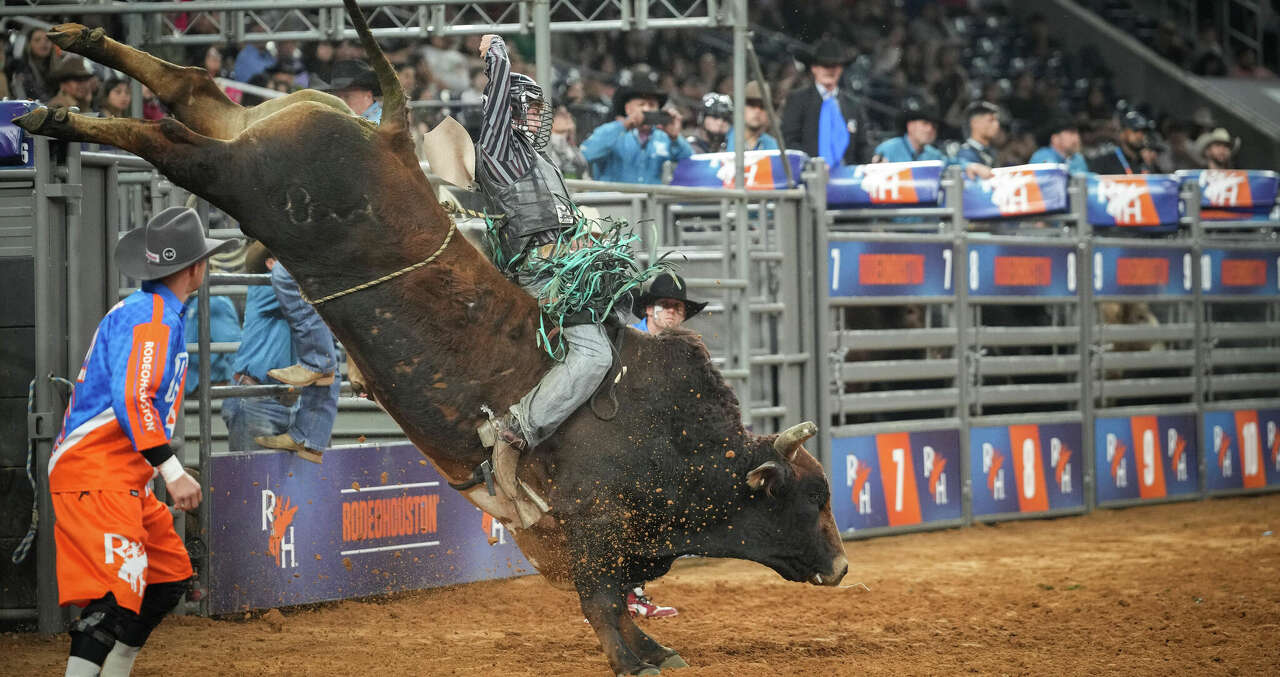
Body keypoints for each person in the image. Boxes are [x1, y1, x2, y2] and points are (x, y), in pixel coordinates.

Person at [48, 207, 235, 677]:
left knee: (166, 580)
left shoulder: (149, 312)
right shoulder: (153, 319)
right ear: (194, 268)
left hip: (116, 473)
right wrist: (171, 471)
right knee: (115, 601)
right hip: (98, 472)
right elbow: (134, 396)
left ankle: (114, 669)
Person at [472, 34, 614, 499]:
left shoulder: (541, 161)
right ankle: (519, 429)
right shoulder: (499, 149)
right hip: (539, 271)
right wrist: (498, 53)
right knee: (595, 355)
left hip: (567, 263)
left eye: (538, 110)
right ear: (509, 113)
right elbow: (491, 104)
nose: (539, 118)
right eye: (530, 110)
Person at [252, 257, 342, 464]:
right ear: (268, 262)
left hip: (271, 398)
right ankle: (309, 436)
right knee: (326, 353)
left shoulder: (283, 287)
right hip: (262, 397)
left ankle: (307, 436)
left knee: (286, 273)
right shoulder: (263, 291)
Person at [579, 75, 693, 184]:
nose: (646, 109)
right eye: (641, 104)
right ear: (628, 109)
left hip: (652, 202)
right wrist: (623, 126)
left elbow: (691, 164)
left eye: (652, 105)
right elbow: (586, 155)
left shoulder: (665, 137)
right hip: (613, 202)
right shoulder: (609, 130)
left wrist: (675, 138)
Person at [780, 38, 868, 169]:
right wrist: (811, 165)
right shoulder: (798, 99)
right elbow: (790, 141)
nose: (830, 70)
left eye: (835, 65)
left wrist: (873, 158)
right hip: (809, 176)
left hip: (845, 178)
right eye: (825, 65)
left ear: (841, 69)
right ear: (814, 68)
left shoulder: (853, 105)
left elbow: (862, 145)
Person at [630, 272, 708, 335]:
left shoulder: (689, 348)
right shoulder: (626, 338)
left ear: (683, 315)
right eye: (664, 304)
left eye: (677, 306)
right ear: (649, 309)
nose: (671, 310)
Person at [871, 96, 945, 163]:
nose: (930, 129)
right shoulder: (888, 150)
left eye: (934, 126)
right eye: (925, 123)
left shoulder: (935, 156)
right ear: (910, 126)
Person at [1087, 110, 1154, 175]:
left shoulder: (1147, 163)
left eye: (1143, 131)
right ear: (1122, 133)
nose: (1140, 135)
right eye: (1135, 130)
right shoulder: (1104, 162)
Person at [725, 81, 780, 152]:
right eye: (752, 105)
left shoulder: (773, 145)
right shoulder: (724, 139)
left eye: (763, 107)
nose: (757, 111)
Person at [951, 101, 1001, 178]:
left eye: (997, 120)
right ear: (974, 123)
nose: (997, 125)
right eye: (991, 120)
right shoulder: (965, 153)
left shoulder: (992, 152)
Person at [546, 104, 590, 179]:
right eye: (562, 115)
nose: (568, 117)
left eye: (568, 114)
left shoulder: (572, 147)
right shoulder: (546, 145)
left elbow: (585, 176)